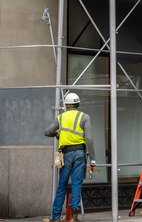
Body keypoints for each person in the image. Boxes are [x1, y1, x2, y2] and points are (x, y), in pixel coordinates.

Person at [44, 92, 96, 222]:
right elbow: (89, 139)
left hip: (65, 154)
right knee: (76, 184)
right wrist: (93, 158)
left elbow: (47, 132)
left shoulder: (61, 117)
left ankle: (55, 217)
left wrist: (57, 133)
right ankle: (74, 217)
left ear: (67, 104)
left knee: (62, 185)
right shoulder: (85, 117)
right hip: (80, 154)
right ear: (77, 104)